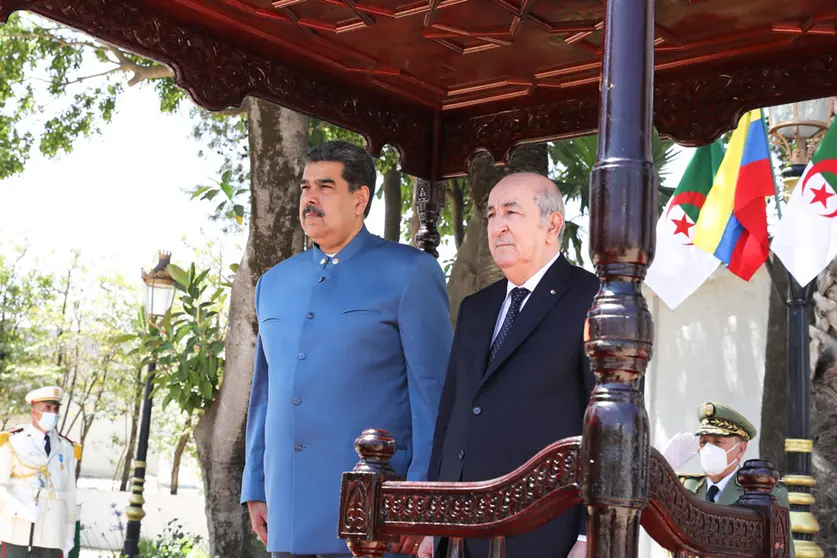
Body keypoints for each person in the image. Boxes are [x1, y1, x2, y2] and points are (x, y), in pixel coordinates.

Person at [241, 140, 454, 558]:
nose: (310, 197)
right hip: (286, 504)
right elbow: (264, 395)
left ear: (360, 199)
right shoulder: (273, 283)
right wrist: (255, 485)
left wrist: (422, 497)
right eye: (305, 187)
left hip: (374, 510)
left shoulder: (411, 273)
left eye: (325, 186)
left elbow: (434, 395)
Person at [419, 173, 597, 558]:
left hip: (542, 530)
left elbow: (604, 426)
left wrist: (589, 534)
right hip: (459, 528)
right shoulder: (476, 308)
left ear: (552, 224)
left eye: (511, 213)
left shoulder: (592, 299)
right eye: (491, 214)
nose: (497, 225)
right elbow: (452, 416)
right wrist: (432, 522)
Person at [662, 402, 795, 557]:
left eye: (718, 442)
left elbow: (783, 553)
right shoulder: (686, 488)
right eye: (704, 442)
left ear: (741, 449)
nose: (708, 449)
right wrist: (663, 471)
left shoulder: (767, 492)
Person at [0, 386, 80, 558]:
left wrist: (69, 532)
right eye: (47, 408)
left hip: (53, 532)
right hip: (18, 529)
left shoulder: (66, 447)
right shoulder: (13, 442)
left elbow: (70, 494)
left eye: (56, 409)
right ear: (34, 411)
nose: (53, 414)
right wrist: (18, 509)